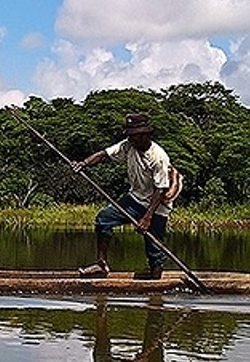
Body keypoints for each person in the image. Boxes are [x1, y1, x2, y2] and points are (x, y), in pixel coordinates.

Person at [70, 112, 181, 279]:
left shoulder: (159, 157)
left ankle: (156, 284)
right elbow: (104, 154)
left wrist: (147, 218)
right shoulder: (128, 145)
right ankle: (101, 264)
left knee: (154, 248)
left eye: (135, 136)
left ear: (145, 135)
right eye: (130, 136)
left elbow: (160, 189)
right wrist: (83, 164)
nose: (131, 139)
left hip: (156, 205)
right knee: (104, 219)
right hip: (135, 198)